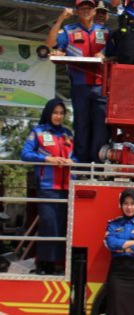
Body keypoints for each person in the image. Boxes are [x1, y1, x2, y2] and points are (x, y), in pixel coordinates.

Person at [46, 0, 111, 164]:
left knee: (101, 128)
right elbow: (51, 43)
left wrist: (105, 56)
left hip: (101, 87)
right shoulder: (69, 30)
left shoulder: (104, 32)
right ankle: (81, 167)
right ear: (76, 11)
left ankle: (98, 166)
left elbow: (116, 56)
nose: (86, 10)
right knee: (81, 126)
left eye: (89, 7)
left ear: (94, 11)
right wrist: (61, 19)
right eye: (82, 8)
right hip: (80, 86)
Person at [20, 98, 76, 275]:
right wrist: (47, 159)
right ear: (48, 113)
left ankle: (58, 263)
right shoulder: (38, 132)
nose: (58, 116)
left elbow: (76, 156)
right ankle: (44, 264)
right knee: (49, 225)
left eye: (61, 113)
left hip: (67, 187)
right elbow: (25, 154)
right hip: (47, 186)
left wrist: (70, 161)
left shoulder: (68, 134)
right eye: (55, 112)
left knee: (62, 226)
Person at [104, 188, 134, 315]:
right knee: (116, 310)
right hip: (117, 273)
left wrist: (121, 247)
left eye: (132, 203)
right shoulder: (113, 224)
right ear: (121, 205)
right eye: (125, 203)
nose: (129, 207)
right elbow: (110, 243)